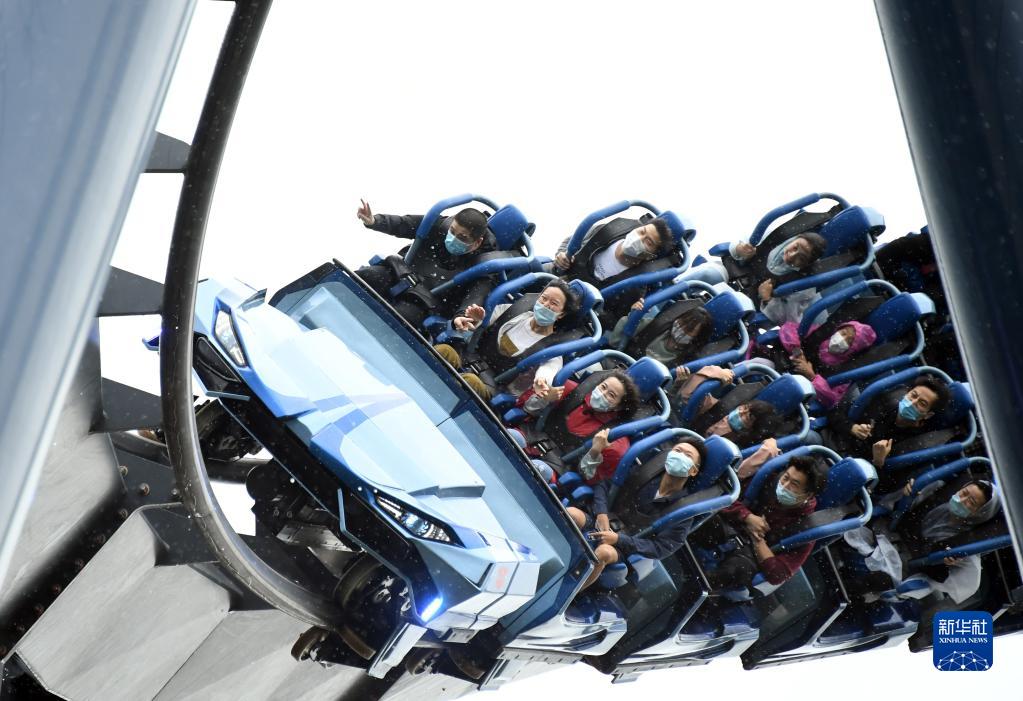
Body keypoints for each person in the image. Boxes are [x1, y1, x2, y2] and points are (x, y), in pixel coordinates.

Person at [565, 438, 706, 589]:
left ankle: (569, 591)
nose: (680, 456)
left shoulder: (683, 511)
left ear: (693, 471)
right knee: (570, 514)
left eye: (687, 455)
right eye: (677, 451)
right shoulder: (645, 472)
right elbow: (605, 485)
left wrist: (619, 539)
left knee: (603, 553)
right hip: (599, 520)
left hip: (624, 546)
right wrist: (601, 513)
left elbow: (661, 548)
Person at [841, 478, 1001, 604]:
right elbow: (895, 506)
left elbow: (948, 580)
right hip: (887, 534)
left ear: (979, 513)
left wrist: (946, 564)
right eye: (964, 492)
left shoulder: (965, 545)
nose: (962, 500)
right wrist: (906, 493)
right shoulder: (936, 492)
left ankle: (841, 592)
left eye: (971, 502)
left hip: (905, 566)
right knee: (849, 522)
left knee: (876, 581)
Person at [354, 200, 498, 327]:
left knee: (399, 317)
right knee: (366, 276)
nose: (453, 238)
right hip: (399, 273)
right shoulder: (440, 225)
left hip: (424, 302)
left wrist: (463, 315)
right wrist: (374, 221)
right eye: (452, 231)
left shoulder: (484, 266)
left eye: (462, 237)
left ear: (477, 243)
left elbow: (476, 295)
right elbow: (404, 224)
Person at [432, 280, 581, 400]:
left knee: (470, 382)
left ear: (561, 314)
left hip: (493, 385)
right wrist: (475, 321)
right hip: (468, 357)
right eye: (544, 298)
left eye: (554, 303)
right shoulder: (512, 310)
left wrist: (542, 382)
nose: (545, 305)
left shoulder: (553, 350)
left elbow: (547, 372)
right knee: (444, 351)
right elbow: (476, 325)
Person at [689, 455, 823, 588]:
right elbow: (722, 496)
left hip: (750, 554)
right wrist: (747, 517)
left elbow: (778, 574)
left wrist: (758, 539)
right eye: (786, 478)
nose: (785, 485)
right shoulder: (768, 479)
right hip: (729, 526)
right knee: (700, 518)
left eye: (794, 484)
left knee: (737, 571)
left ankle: (693, 587)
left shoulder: (806, 527)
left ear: (808, 495)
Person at [513, 370, 640, 483]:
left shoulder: (615, 441)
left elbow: (588, 478)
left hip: (558, 466)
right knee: (512, 437)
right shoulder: (569, 390)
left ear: (618, 407)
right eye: (603, 387)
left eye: (611, 395)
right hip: (532, 436)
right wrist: (544, 398)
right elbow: (525, 408)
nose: (602, 394)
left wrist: (595, 451)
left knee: (535, 469)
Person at [551, 214, 681, 323]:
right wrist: (562, 255)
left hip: (577, 313)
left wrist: (596, 312)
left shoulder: (635, 286)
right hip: (559, 279)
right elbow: (570, 241)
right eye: (642, 232)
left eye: (648, 242)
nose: (639, 238)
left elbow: (612, 320)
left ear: (650, 256)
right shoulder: (607, 231)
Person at [823, 374, 951, 470]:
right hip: (830, 443)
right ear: (907, 393)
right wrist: (852, 427)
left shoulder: (916, 444)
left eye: (922, 403)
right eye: (913, 395)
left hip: (850, 470)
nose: (913, 402)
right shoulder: (884, 400)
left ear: (928, 415)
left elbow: (884, 488)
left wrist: (878, 462)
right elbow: (834, 411)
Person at [673, 365, 779, 448]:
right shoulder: (717, 408)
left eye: (748, 416)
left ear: (751, 429)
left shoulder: (736, 446)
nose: (740, 412)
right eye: (744, 408)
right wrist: (717, 373)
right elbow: (686, 398)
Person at [780, 319, 878, 408]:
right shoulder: (820, 333)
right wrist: (796, 350)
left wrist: (812, 377)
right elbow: (788, 328)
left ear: (854, 349)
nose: (842, 339)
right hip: (783, 364)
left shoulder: (845, 369)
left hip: (799, 390)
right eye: (843, 333)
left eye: (849, 341)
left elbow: (831, 400)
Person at [608, 300, 714, 368]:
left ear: (696, 338)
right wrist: (633, 316)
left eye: (688, 330)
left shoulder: (685, 362)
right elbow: (614, 342)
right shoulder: (655, 326)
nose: (681, 329)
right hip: (617, 363)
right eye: (681, 323)